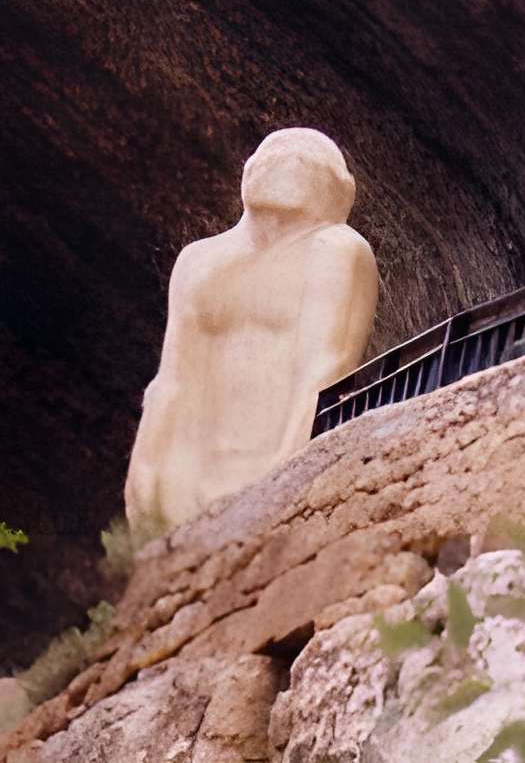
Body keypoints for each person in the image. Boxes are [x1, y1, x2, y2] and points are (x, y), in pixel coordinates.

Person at [123, 127, 379, 532]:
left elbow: (323, 375)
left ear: (343, 192)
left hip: (262, 479)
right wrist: (143, 487)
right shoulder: (198, 261)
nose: (286, 161)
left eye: (301, 159)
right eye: (274, 156)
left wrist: (278, 490)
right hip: (185, 493)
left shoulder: (335, 251)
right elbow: (171, 383)